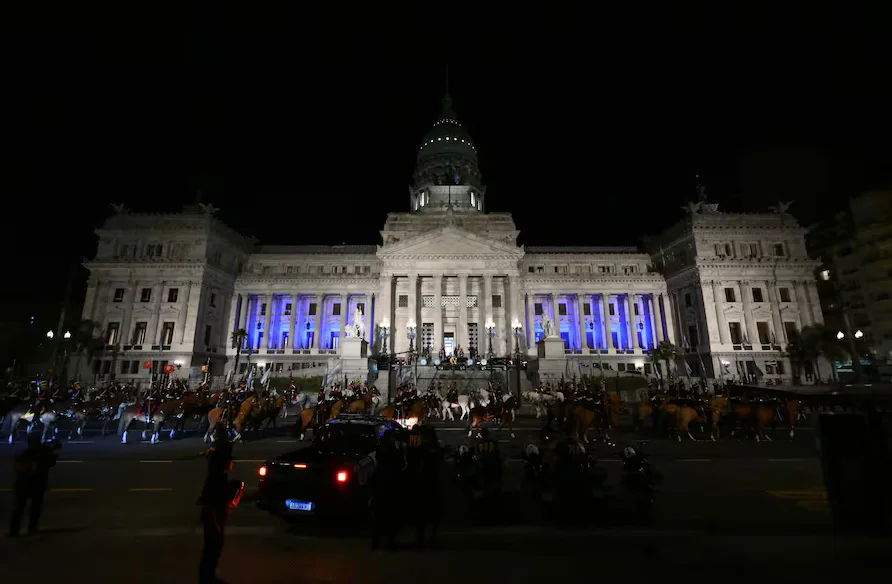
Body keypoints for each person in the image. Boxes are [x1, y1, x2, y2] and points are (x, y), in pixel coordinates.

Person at [198, 424, 234, 584]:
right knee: (213, 546)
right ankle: (207, 578)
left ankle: (208, 576)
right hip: (213, 509)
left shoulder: (219, 474)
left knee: (213, 547)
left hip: (214, 507)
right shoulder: (218, 478)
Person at [8, 434, 58, 537]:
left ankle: (14, 530)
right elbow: (52, 462)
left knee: (20, 509)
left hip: (23, 485)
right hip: (35, 485)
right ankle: (31, 527)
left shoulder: (24, 454)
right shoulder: (41, 454)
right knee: (34, 508)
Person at [370, 430, 406, 550]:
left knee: (378, 516)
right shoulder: (393, 451)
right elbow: (402, 465)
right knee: (390, 515)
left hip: (381, 485)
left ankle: (376, 542)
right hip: (390, 485)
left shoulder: (379, 450)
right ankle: (390, 541)